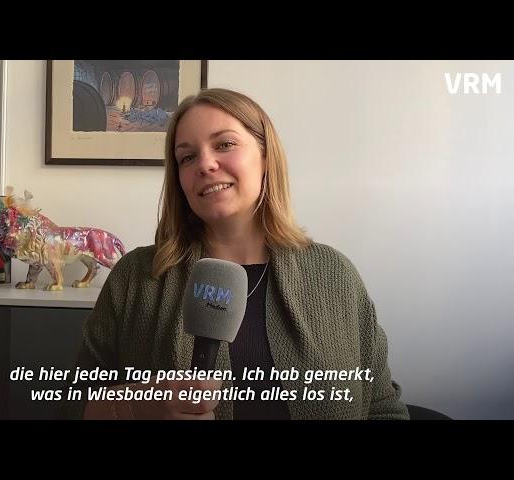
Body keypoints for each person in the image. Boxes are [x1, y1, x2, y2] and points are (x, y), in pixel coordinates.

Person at [66, 88, 409, 420]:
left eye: (224, 144)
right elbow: (70, 405)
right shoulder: (136, 277)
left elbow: (382, 408)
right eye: (187, 157)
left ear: (265, 156)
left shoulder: (335, 274)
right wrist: (136, 409)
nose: (205, 164)